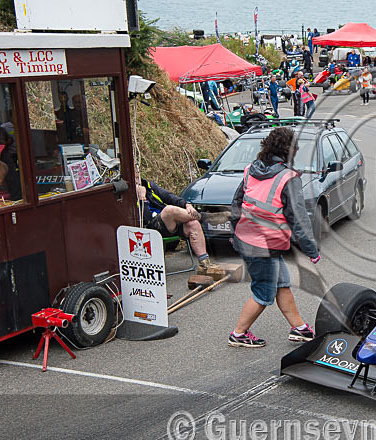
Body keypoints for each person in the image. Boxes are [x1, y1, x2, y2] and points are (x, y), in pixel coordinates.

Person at [229, 127, 319, 348]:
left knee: (282, 283)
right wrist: (311, 250)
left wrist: (235, 233)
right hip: (263, 245)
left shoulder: (251, 169)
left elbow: (237, 203)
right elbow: (298, 218)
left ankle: (299, 329)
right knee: (263, 293)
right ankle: (238, 334)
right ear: (290, 150)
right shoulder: (288, 177)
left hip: (250, 239)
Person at [135, 168, 213, 273]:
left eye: (137, 175)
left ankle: (205, 264)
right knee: (169, 210)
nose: (137, 179)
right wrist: (142, 199)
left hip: (168, 223)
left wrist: (186, 205)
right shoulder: (128, 195)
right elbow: (145, 219)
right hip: (150, 227)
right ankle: (204, 217)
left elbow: (168, 196)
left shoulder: (148, 186)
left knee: (193, 224)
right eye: (134, 177)